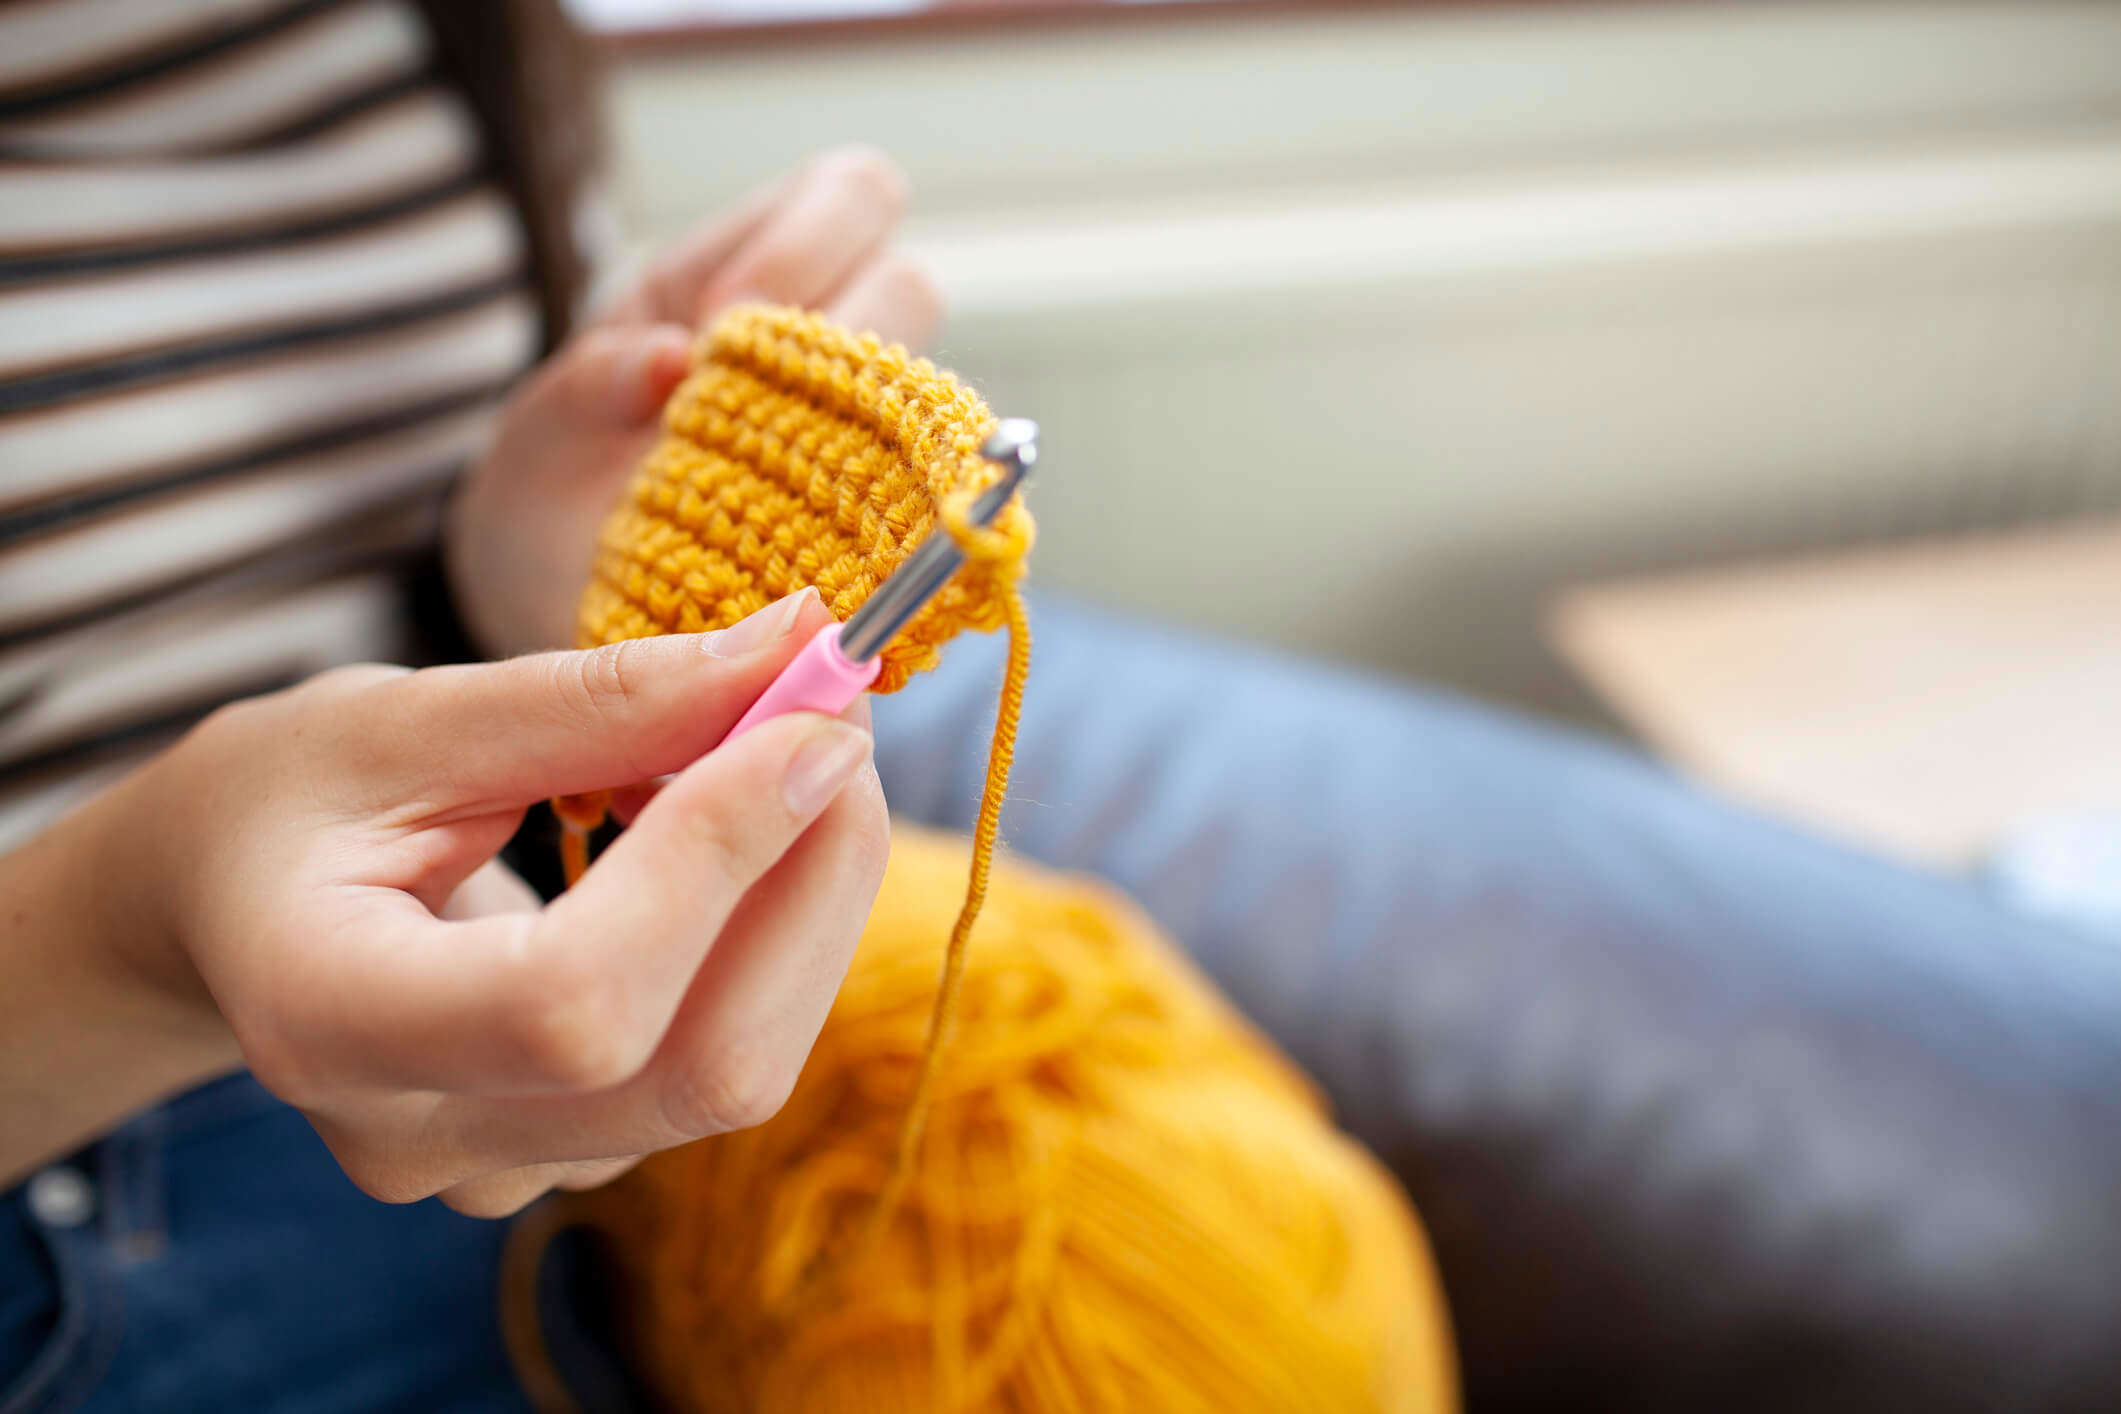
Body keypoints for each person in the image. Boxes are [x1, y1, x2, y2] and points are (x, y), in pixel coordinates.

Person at [6, 4, 2121, 1412]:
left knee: (2063, 1138)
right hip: (96, 1066)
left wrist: (540, 571)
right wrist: (121, 926)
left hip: (520, 863)